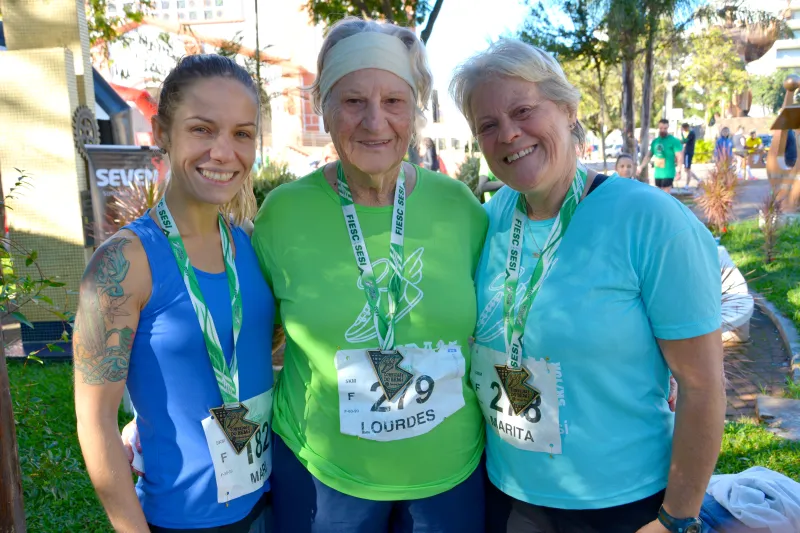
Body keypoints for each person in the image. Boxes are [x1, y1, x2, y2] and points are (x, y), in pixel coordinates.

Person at [450, 39, 725, 533]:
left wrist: (676, 519)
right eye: (488, 125)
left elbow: (703, 387)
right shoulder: (485, 223)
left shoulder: (650, 220)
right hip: (508, 498)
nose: (509, 134)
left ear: (568, 109)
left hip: (625, 507)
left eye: (523, 110)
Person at [253, 17, 487, 532]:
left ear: (415, 111)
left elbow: (501, 318)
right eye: (354, 100)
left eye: (394, 102)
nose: (375, 121)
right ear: (326, 109)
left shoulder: (460, 208)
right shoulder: (283, 214)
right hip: (324, 476)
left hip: (448, 474)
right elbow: (252, 334)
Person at [74, 55, 275, 532]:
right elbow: (95, 419)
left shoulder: (247, 243)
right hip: (180, 520)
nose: (224, 152)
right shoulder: (123, 264)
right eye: (203, 129)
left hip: (269, 501)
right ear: (162, 130)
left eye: (242, 133)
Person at [637, 119, 683, 193]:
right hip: (658, 174)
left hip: (668, 173)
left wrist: (679, 170)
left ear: (668, 128)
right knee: (658, 194)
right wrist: (641, 167)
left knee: (665, 194)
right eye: (661, 128)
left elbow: (679, 156)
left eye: (665, 128)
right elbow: (649, 156)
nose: (663, 130)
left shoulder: (674, 141)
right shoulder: (655, 141)